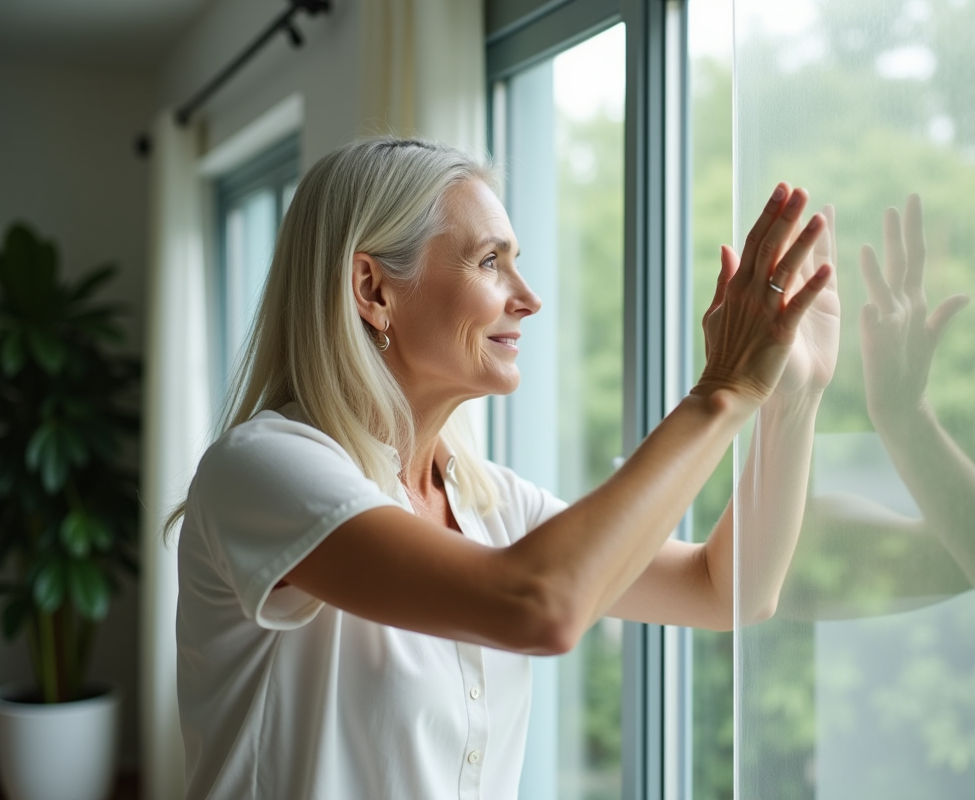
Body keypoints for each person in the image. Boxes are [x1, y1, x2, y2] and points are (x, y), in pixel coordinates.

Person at [172, 137, 837, 800]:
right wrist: (719, 394)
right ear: (373, 290)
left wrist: (791, 401)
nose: (528, 298)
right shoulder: (263, 469)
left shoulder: (490, 503)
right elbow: (540, 606)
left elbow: (726, 591)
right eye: (491, 262)